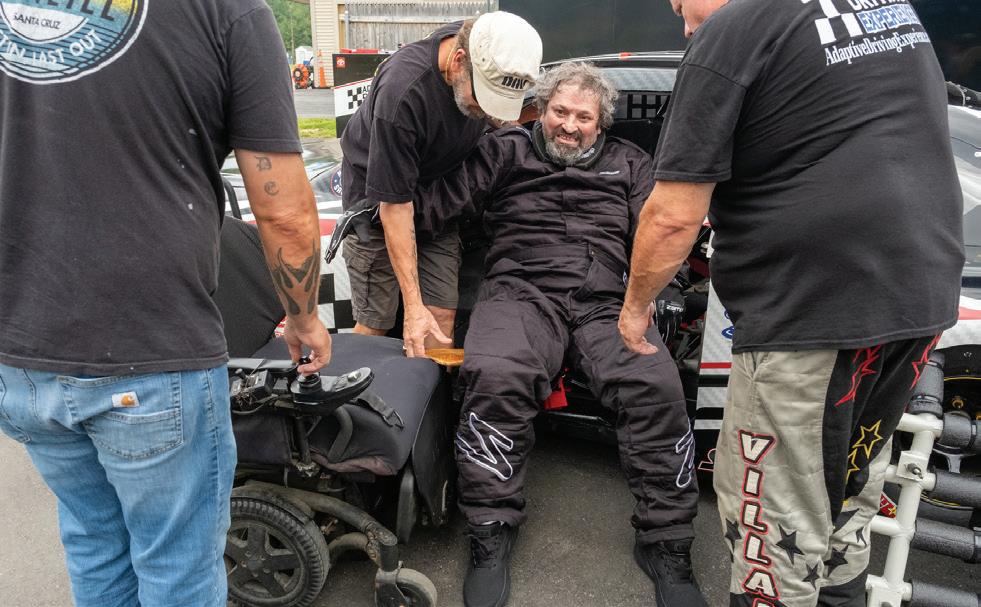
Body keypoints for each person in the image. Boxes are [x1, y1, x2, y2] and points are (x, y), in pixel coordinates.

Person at [618, 1, 964, 605]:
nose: (686, 26)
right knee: (846, 499)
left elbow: (672, 216)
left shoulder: (735, 29)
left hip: (813, 310)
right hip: (919, 295)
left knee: (773, 533)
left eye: (680, 6)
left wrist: (634, 309)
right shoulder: (885, 6)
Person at [0, 3, 331, 606]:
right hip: (151, 353)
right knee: (177, 567)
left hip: (20, 353)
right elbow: (283, 210)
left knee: (95, 542)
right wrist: (305, 318)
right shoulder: (226, 11)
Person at [413, 61, 706, 607]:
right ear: (541, 110)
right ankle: (490, 528)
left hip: (607, 299)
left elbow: (662, 235)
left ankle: (666, 541)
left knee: (654, 384)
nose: (569, 126)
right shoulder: (505, 151)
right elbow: (440, 202)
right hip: (520, 291)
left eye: (583, 117)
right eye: (559, 111)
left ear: (601, 123)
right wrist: (385, 195)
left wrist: (661, 290)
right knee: (495, 373)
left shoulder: (631, 163)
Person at [339, 11, 542, 357]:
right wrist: (412, 306)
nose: (487, 111)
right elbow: (395, 206)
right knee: (377, 320)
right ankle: (357, 390)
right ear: (458, 62)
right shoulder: (403, 93)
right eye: (484, 98)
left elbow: (502, 117)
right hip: (379, 205)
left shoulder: (483, 41)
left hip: (435, 200)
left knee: (439, 318)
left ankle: (429, 390)